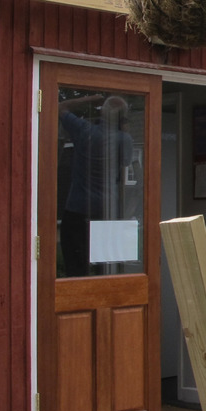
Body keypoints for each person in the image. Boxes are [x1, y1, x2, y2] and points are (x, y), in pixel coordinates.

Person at [58, 94, 136, 277]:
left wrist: (88, 100)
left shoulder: (84, 130)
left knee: (76, 270)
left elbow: (60, 107)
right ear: (122, 118)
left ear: (102, 113)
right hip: (107, 211)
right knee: (107, 269)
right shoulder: (124, 139)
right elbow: (125, 163)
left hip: (77, 208)